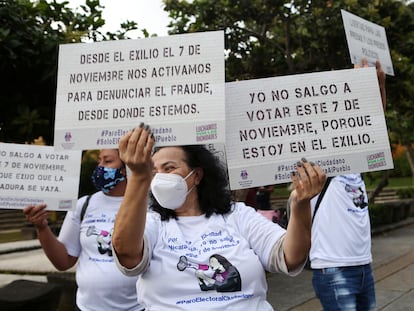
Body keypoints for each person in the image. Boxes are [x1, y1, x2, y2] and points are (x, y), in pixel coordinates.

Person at [111, 124, 326, 310]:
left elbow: (291, 256)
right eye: (154, 171)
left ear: (196, 175)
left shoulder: (237, 215)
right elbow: (126, 253)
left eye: (170, 168)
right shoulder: (152, 224)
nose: (161, 178)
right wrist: (138, 177)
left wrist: (300, 204)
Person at [23, 149, 143, 311]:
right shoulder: (83, 205)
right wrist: (42, 227)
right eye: (99, 161)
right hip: (87, 307)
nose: (100, 167)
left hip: (138, 308)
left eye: (107, 161)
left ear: (126, 167)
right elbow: (63, 261)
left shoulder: (146, 205)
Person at [309, 59, 386, 311]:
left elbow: (374, 126)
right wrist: (355, 85)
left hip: (363, 266)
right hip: (333, 269)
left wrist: (379, 85)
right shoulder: (319, 162)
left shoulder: (355, 159)